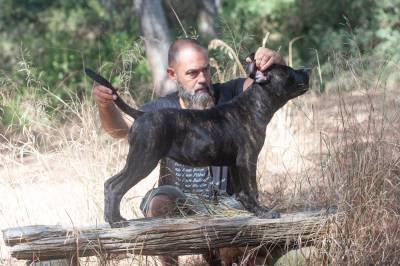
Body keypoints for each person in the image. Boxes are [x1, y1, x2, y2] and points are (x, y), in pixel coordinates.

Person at [93, 38, 285, 265]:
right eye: (193, 73)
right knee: (159, 203)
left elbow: (263, 84)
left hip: (226, 204)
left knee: (257, 250)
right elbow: (120, 128)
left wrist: (273, 60)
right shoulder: (163, 111)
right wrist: (106, 105)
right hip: (181, 202)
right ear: (172, 74)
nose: (203, 79)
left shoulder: (233, 95)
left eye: (206, 70)